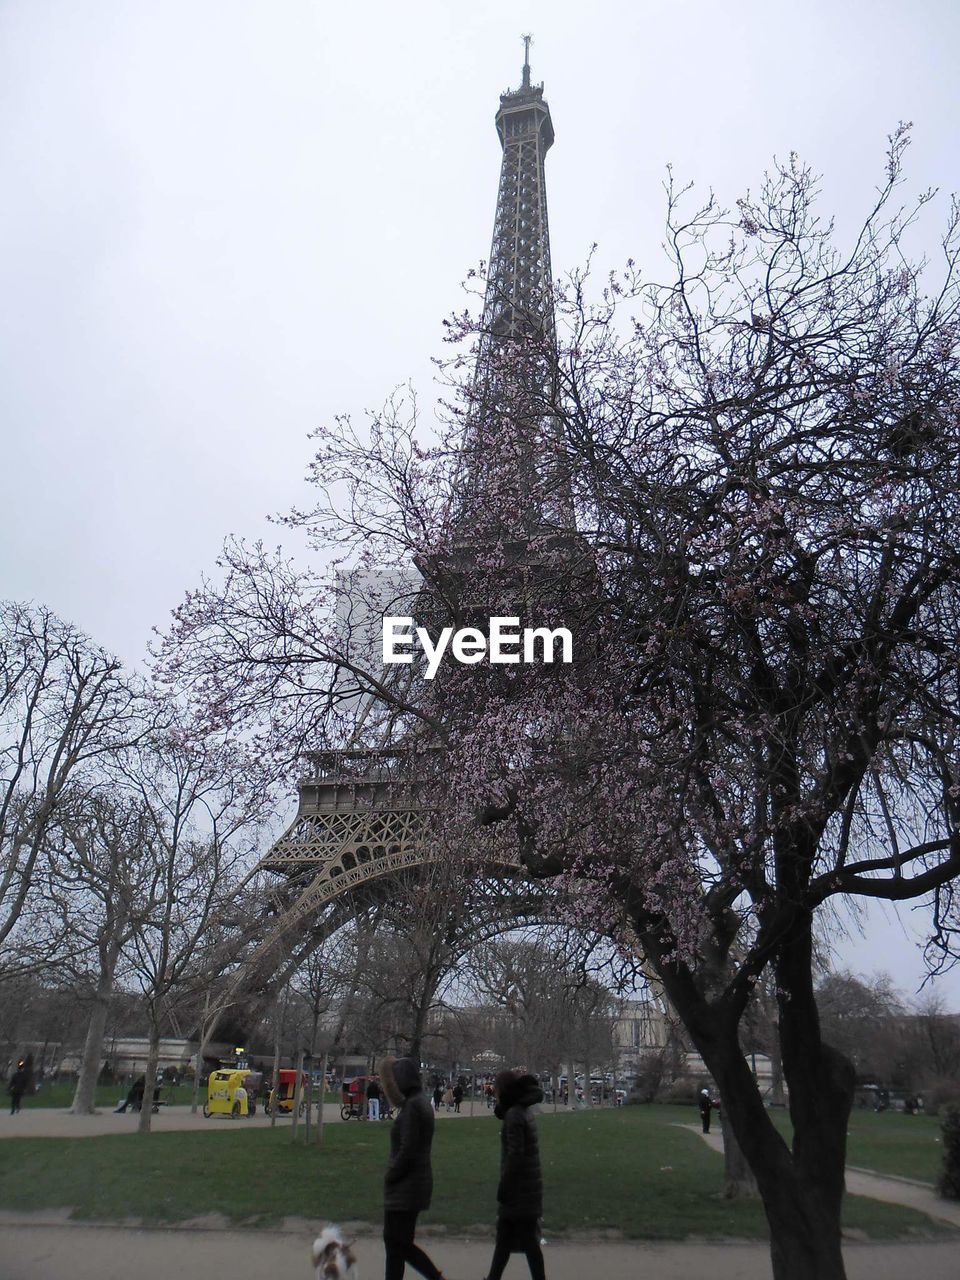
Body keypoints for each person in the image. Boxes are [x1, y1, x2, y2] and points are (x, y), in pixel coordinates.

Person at [379, 1056, 448, 1280]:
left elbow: (408, 1149)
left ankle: (435, 1277)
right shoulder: (419, 1103)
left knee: (397, 1242)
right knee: (397, 1243)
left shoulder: (412, 1108)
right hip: (413, 1184)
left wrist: (391, 1174)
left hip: (406, 1186)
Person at [484, 1070, 546, 1280]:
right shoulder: (522, 1111)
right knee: (507, 1239)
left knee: (523, 1240)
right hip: (526, 1188)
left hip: (520, 1190)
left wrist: (506, 1185)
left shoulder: (514, 1115)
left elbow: (515, 1154)